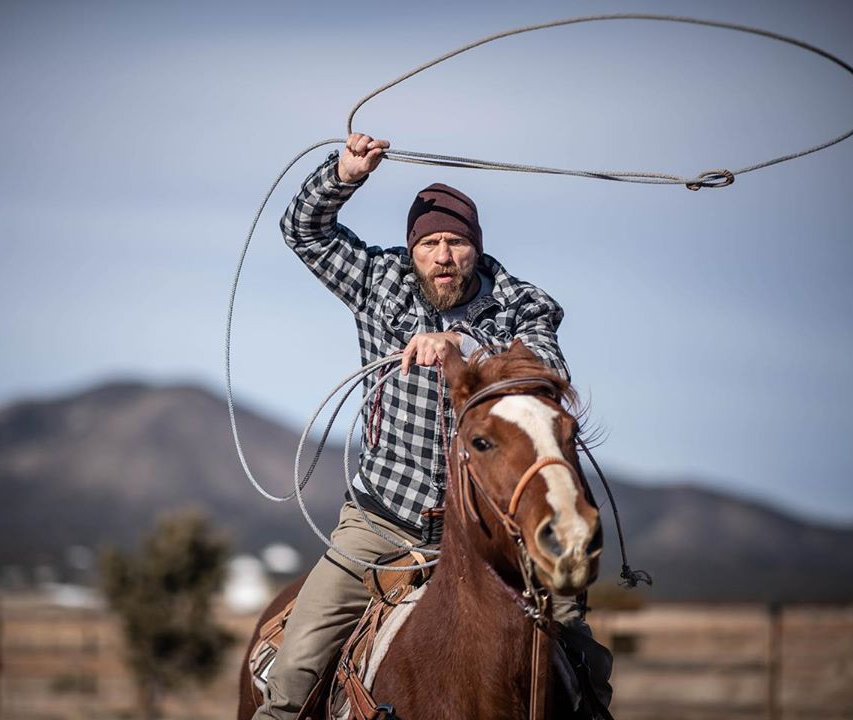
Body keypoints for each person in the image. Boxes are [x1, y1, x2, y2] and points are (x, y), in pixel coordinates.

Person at [252, 133, 613, 720]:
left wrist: (466, 345)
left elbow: (547, 369)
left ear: (476, 248)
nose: (444, 256)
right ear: (412, 249)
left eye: (458, 243)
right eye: (432, 244)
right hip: (383, 521)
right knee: (293, 670)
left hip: (494, 535)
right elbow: (303, 231)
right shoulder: (379, 280)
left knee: (584, 663)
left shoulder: (521, 303)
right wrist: (342, 175)